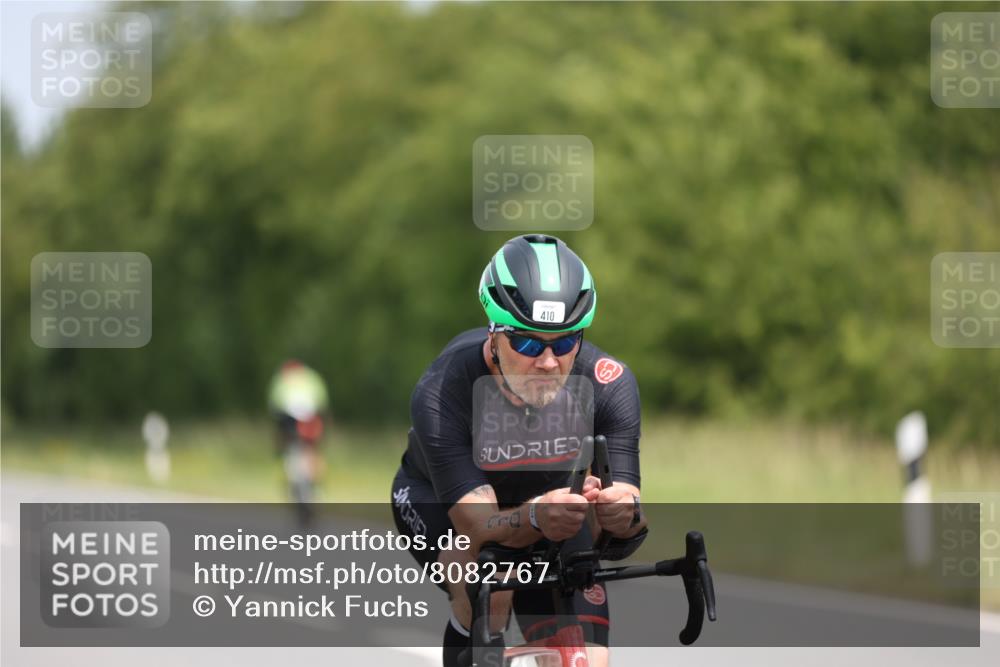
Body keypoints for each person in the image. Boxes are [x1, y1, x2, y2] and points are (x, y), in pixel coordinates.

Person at [390, 234, 647, 667]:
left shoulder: (609, 385)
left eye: (565, 342)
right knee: (489, 584)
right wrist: (533, 515)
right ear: (494, 333)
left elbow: (629, 512)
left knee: (586, 658)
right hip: (442, 498)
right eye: (528, 343)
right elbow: (478, 525)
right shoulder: (443, 389)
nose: (548, 361)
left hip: (553, 504)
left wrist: (621, 513)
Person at [268, 359, 330, 512]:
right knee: (312, 450)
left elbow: (274, 406)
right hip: (310, 420)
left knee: (289, 448)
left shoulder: (282, 379)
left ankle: (297, 483)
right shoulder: (312, 378)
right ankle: (315, 485)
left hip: (290, 421)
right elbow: (322, 403)